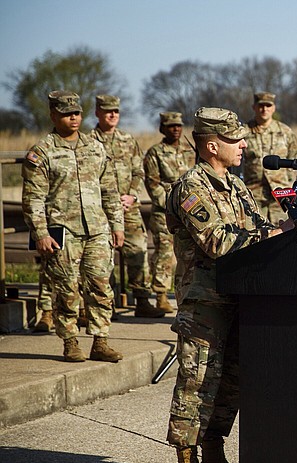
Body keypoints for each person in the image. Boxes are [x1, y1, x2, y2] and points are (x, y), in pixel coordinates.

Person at [165, 107, 293, 463]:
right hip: (205, 302)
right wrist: (274, 233)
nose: (244, 145)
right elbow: (218, 241)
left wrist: (285, 229)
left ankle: (214, 456)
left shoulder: (235, 186)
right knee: (196, 383)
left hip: (240, 298)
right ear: (210, 145)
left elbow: (256, 227)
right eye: (236, 140)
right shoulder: (191, 187)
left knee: (230, 383)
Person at [21, 91, 124, 362]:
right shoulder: (42, 152)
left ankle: (101, 341)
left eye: (77, 113)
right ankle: (70, 342)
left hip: (97, 230)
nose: (74, 118)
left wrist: (117, 225)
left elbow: (110, 189)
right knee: (67, 290)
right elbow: (33, 197)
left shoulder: (95, 146)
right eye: (67, 114)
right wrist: (40, 233)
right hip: (62, 232)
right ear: (54, 116)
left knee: (101, 286)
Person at [90, 95, 163, 318]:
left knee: (138, 251)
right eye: (107, 111)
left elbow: (138, 172)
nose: (113, 115)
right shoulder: (89, 141)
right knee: (103, 256)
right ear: (97, 113)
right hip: (101, 208)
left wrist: (131, 195)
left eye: (116, 112)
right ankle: (106, 304)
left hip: (128, 207)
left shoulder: (127, 140)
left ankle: (142, 300)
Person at [144, 112, 196, 314]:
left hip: (189, 210)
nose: (175, 129)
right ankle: (161, 295)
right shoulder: (155, 153)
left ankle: (188, 291)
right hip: (164, 211)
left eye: (178, 125)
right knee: (164, 253)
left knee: (189, 253)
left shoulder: (190, 150)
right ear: (162, 128)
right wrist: (171, 203)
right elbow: (153, 184)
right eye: (170, 126)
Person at [242, 91, 297, 222]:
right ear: (254, 107)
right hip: (253, 194)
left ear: (273, 108)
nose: (264, 109)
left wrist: (289, 182)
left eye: (268, 106)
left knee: (283, 232)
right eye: (261, 106)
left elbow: (292, 158)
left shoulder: (285, 132)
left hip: (281, 194)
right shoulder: (244, 131)